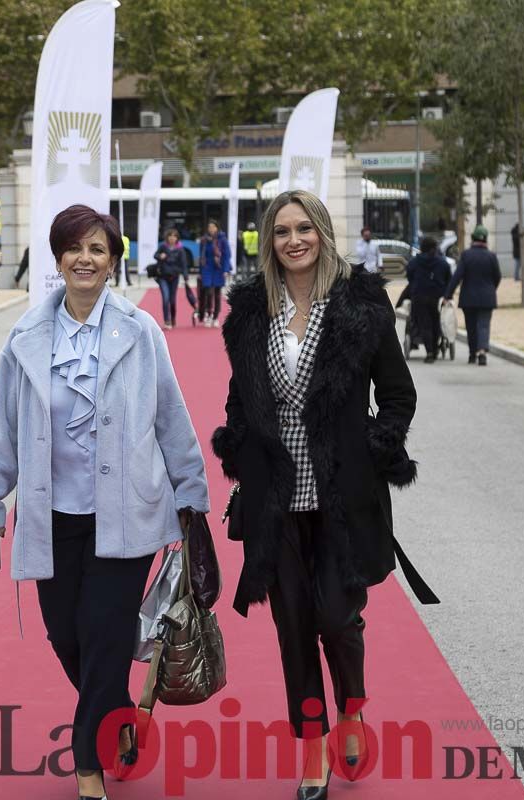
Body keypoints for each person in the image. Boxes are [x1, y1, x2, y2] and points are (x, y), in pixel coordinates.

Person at [0, 204, 210, 800]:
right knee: (65, 636)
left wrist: (191, 498)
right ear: (58, 258)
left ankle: (89, 767)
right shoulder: (25, 338)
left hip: (126, 515)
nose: (86, 259)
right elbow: (4, 429)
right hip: (52, 518)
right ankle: (115, 711)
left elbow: (170, 417)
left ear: (112, 261)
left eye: (98, 249)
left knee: (103, 634)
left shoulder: (140, 332)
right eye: (75, 248)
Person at [211, 190, 431, 800]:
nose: (293, 240)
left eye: (304, 228)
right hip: (274, 501)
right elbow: (239, 396)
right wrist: (235, 442)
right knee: (292, 627)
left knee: (337, 617)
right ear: (268, 241)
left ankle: (351, 708)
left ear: (323, 232)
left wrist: (372, 448)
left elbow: (398, 394)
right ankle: (313, 751)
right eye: (280, 231)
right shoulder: (253, 311)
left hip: (341, 497)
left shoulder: (360, 302)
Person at [444, 225, 502, 365]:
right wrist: (491, 288)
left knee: (471, 326)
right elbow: (497, 276)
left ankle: (472, 354)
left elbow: (457, 277)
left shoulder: (466, 255)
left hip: (468, 297)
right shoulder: (491, 256)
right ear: (486, 239)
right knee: (483, 325)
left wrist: (448, 294)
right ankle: (482, 352)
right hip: (487, 297)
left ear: (473, 238)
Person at [404, 236, 452, 363]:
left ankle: (430, 351)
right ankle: (435, 349)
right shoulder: (442, 262)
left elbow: (409, 276)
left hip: (419, 296)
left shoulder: (415, 262)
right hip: (436, 296)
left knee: (425, 324)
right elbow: (449, 278)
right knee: (436, 322)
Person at [199, 219, 233, 327]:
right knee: (209, 292)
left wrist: (226, 270)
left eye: (213, 227)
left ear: (217, 228)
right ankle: (209, 314)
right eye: (209, 227)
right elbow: (201, 256)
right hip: (207, 268)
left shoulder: (222, 239)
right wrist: (200, 271)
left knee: (217, 294)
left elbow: (227, 255)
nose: (211, 229)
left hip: (218, 268)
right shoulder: (204, 240)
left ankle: (215, 317)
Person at [153, 227, 187, 329]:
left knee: (172, 300)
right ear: (167, 237)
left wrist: (186, 276)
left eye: (174, 236)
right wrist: (160, 256)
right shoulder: (163, 246)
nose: (172, 238)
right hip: (163, 276)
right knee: (165, 298)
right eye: (170, 236)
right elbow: (155, 255)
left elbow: (184, 263)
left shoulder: (180, 249)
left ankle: (173, 318)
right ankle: (167, 321)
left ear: (177, 238)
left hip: (174, 277)